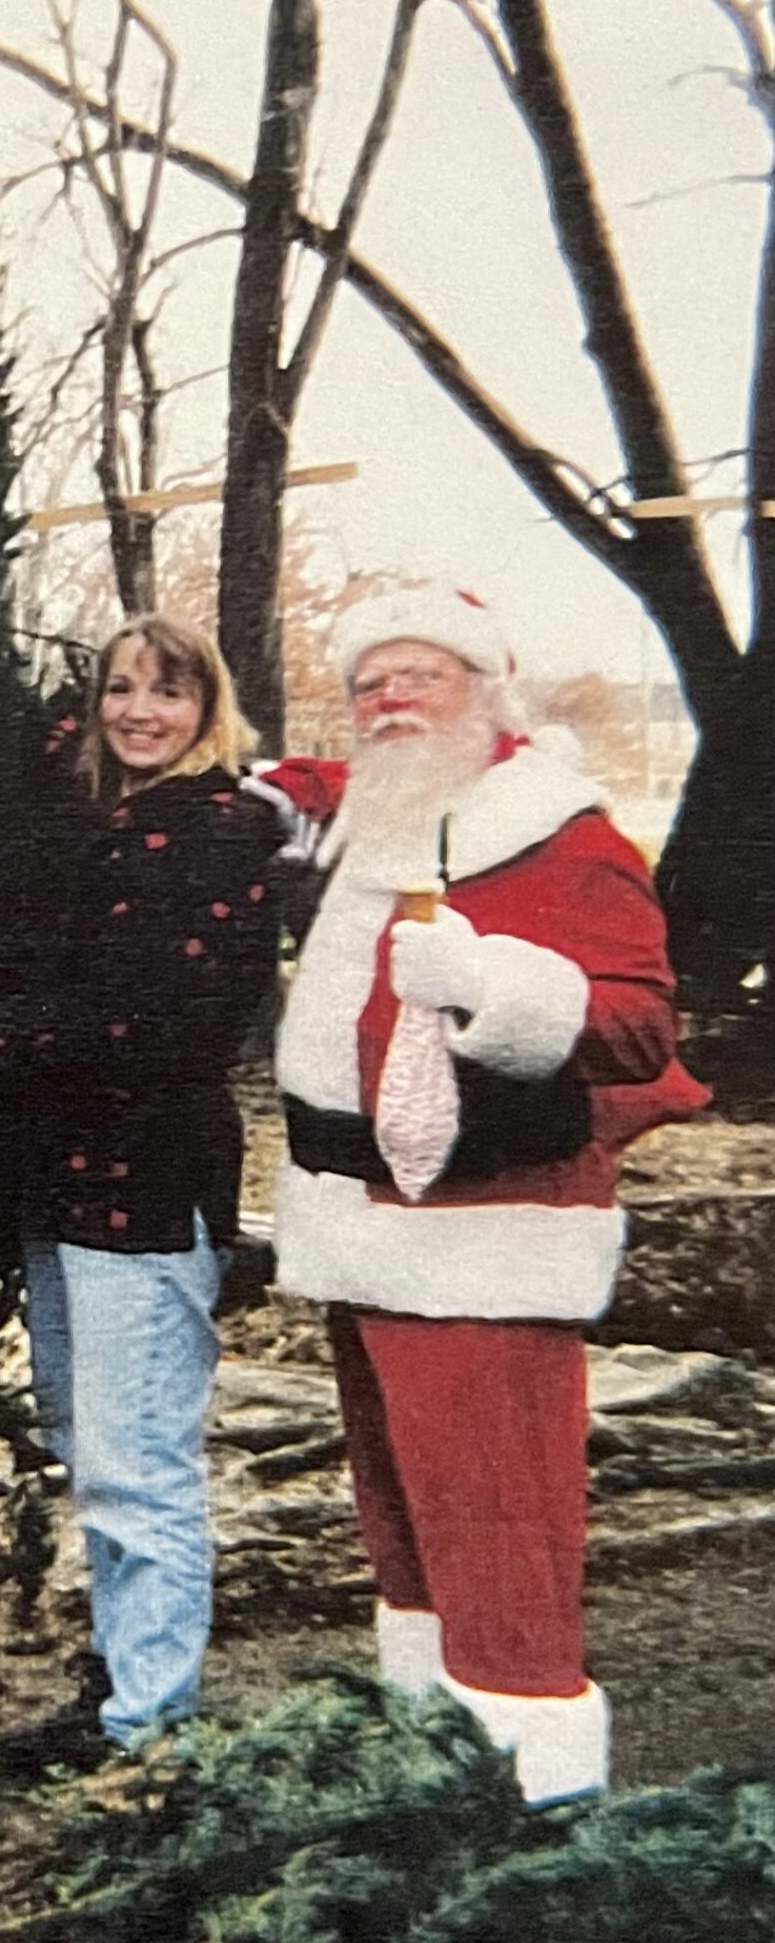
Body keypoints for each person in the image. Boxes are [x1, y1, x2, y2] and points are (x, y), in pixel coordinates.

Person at [255, 580, 707, 1805]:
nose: (392, 699)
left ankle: (533, 1804)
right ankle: (431, 1767)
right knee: (404, 1531)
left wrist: (507, 988)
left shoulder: (561, 831)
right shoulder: (376, 810)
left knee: (503, 1535)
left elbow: (645, 1025)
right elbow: (302, 779)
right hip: (361, 1232)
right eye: (370, 682)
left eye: (423, 676)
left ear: (486, 693)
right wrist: (255, 786)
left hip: (488, 1237)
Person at [0, 617, 282, 1775]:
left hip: (148, 1193)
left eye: (170, 692)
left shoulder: (221, 833)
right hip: (64, 1186)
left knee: (145, 1468)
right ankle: (123, 1685)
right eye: (120, 689)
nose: (141, 711)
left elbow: (152, 1028)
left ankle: (152, 1736)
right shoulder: (100, 823)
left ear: (209, 707)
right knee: (94, 1454)